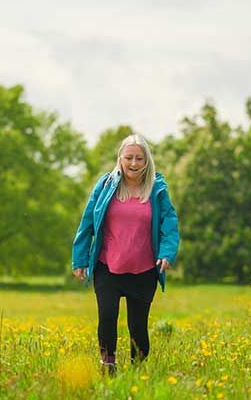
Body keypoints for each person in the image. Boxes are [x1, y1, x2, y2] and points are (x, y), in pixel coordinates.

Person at [72, 134, 180, 373]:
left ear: (147, 161)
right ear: (120, 158)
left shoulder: (157, 188)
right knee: (107, 317)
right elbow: (87, 222)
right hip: (107, 266)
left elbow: (169, 224)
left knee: (138, 326)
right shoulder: (105, 185)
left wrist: (167, 253)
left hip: (144, 269)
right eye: (129, 157)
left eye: (139, 158)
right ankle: (107, 365)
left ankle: (137, 372)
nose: (133, 163)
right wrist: (80, 259)